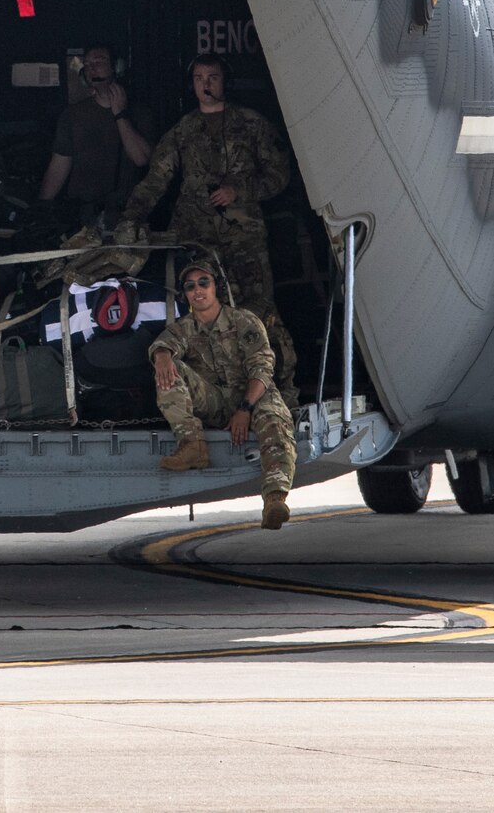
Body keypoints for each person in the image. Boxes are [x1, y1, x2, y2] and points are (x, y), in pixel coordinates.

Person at [120, 52, 299, 409]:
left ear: (224, 82)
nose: (206, 84)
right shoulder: (183, 130)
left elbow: (280, 175)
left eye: (212, 77)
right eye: (199, 77)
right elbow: (156, 179)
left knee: (258, 312)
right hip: (195, 241)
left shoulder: (251, 124)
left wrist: (239, 192)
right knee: (196, 316)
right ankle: (205, 399)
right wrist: (131, 218)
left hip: (242, 238)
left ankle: (279, 393)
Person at [151, 250, 295, 530]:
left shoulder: (244, 321)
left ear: (216, 287)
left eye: (203, 282)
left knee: (275, 421)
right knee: (169, 368)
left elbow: (262, 370)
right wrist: (162, 355)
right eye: (190, 286)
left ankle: (275, 499)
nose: (197, 290)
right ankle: (192, 444)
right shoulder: (184, 328)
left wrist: (245, 410)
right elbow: (164, 343)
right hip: (217, 402)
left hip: (254, 395)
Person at [37, 43, 156, 211]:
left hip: (126, 212)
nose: (91, 68)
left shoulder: (139, 112)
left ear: (116, 67)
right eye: (86, 65)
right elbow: (58, 167)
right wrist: (40, 208)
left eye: (98, 62)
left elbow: (141, 158)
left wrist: (120, 115)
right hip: (82, 210)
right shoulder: (72, 115)